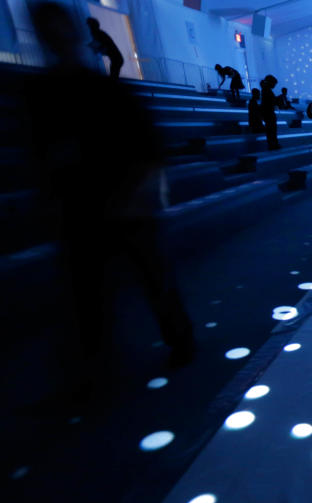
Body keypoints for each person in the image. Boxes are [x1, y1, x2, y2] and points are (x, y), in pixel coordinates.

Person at [24, 3, 195, 411]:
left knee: (148, 283)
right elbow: (40, 155)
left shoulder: (100, 90)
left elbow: (148, 146)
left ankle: (174, 345)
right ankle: (94, 373)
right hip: (82, 211)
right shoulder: (42, 92)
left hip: (124, 206)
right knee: (92, 296)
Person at [259, 75, 280, 150]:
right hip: (268, 113)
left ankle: (273, 143)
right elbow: (268, 102)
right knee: (271, 129)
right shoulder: (266, 90)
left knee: (271, 129)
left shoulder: (265, 90)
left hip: (268, 112)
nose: (274, 85)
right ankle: (272, 144)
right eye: (274, 84)